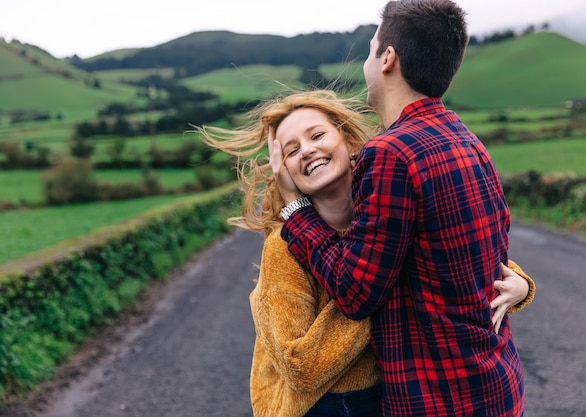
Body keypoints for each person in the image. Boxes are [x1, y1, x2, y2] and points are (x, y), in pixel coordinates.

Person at [198, 90, 536, 417]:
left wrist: (519, 282)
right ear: (284, 173)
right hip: (319, 408)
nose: (307, 150)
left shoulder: (386, 208)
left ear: (346, 139)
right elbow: (300, 366)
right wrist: (377, 285)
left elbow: (455, 255)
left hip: (385, 397)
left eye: (317, 135)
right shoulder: (284, 248)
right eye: (291, 150)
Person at [271, 1, 532, 416]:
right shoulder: (467, 140)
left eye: (372, 49)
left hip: (441, 401)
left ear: (387, 59)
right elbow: (475, 260)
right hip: (498, 384)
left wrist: (295, 212)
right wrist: (522, 284)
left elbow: (355, 293)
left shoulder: (391, 153)